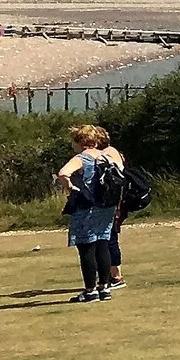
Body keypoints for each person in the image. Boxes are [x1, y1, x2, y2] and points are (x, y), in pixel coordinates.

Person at [56, 125, 126, 303]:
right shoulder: (106, 156)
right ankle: (104, 288)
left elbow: (63, 173)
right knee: (103, 243)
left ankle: (90, 290)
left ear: (80, 142)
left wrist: (71, 187)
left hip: (86, 206)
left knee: (86, 247)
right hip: (106, 206)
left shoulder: (81, 158)